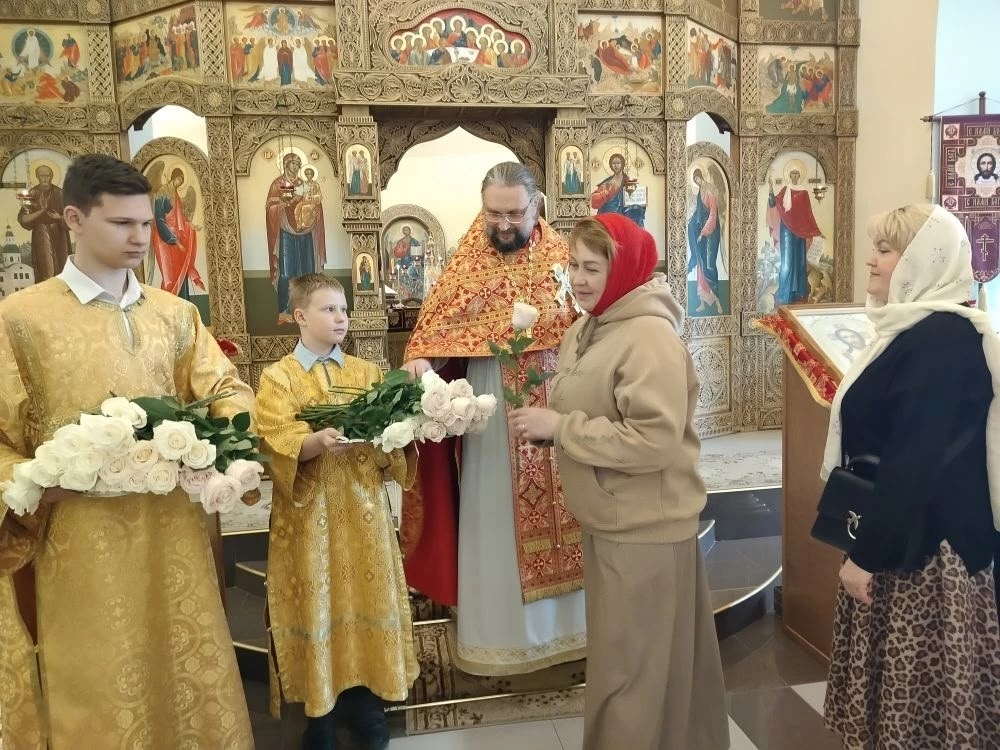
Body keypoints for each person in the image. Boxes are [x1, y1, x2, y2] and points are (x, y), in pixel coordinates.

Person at [0, 154, 254, 747]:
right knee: (100, 679)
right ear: (74, 219)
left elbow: (226, 389)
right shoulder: (21, 319)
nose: (141, 237)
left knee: (184, 667)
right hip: (80, 538)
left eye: (145, 223)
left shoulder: (175, 313)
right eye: (121, 223)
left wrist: (223, 442)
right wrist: (32, 480)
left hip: (175, 531)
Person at [508, 213, 729, 750]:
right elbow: (597, 408)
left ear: (625, 269)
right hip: (612, 518)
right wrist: (555, 431)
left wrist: (562, 428)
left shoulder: (648, 338)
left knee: (634, 677)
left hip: (645, 528)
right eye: (573, 265)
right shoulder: (590, 327)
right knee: (634, 667)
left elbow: (654, 440)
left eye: (593, 267)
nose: (578, 279)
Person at [820, 204, 1000, 747]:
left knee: (922, 707)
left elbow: (913, 462)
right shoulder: (910, 329)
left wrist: (866, 555)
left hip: (926, 555)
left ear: (924, 260)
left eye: (885, 249)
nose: (871, 260)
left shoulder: (943, 339)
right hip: (900, 537)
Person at [401, 161, 585, 676]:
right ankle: (501, 638)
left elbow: (585, 321)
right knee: (494, 515)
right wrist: (423, 359)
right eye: (493, 213)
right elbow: (434, 329)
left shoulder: (563, 258)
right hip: (491, 411)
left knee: (570, 510)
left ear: (536, 205)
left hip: (559, 403)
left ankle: (574, 630)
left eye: (514, 214)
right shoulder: (467, 260)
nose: (503, 225)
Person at [255, 273, 417, 750]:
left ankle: (368, 706)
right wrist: (312, 443)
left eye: (343, 309)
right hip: (309, 518)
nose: (341, 318)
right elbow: (273, 438)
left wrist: (393, 434)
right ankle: (319, 715)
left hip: (363, 511)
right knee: (318, 603)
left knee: (366, 601)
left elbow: (391, 442)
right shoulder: (279, 377)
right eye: (328, 310)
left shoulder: (367, 373)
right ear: (300, 316)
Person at [767, 162, 823, 305]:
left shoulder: (804, 192)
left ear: (799, 176)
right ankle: (785, 294)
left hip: (800, 231)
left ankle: (799, 293)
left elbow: (808, 213)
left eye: (797, 173)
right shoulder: (785, 190)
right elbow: (773, 203)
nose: (794, 176)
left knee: (799, 260)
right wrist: (771, 189)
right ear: (789, 175)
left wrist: (815, 230)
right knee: (787, 260)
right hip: (787, 229)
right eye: (792, 173)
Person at [152, 166, 205, 298]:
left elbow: (180, 217)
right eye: (179, 179)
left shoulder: (175, 195)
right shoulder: (162, 192)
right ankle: (169, 305)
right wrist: (175, 241)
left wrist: (191, 226)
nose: (179, 183)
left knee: (181, 269)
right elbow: (160, 219)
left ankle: (184, 302)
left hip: (176, 237)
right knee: (170, 276)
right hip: (164, 238)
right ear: (173, 177)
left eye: (181, 181)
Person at [17, 164, 72, 282]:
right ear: (37, 177)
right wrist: (41, 211)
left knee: (62, 267)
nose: (45, 178)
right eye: (42, 176)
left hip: (59, 234)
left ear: (51, 176)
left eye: (47, 175)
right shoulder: (32, 193)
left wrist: (59, 217)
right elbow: (23, 219)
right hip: (40, 233)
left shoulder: (60, 193)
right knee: (45, 268)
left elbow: (72, 218)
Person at [686, 168, 724, 315]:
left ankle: (718, 301)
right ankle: (702, 302)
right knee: (701, 264)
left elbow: (713, 214)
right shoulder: (700, 193)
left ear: (702, 177)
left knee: (709, 265)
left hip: (711, 233)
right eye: (695, 180)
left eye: (698, 178)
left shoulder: (709, 191)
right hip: (701, 232)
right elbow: (698, 213)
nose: (697, 181)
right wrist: (691, 223)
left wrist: (703, 232)